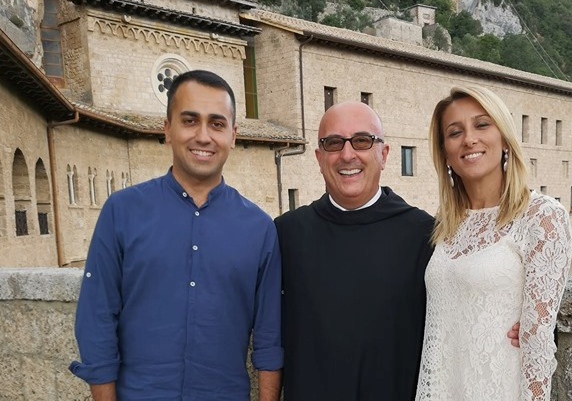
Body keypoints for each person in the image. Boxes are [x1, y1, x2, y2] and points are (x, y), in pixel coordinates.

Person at [275, 101, 519, 401]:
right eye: (334, 143)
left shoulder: (426, 235)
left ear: (384, 154)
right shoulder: (285, 234)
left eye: (362, 141)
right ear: (319, 157)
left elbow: (468, 299)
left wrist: (524, 324)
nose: (347, 154)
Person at [69, 70, 282, 401]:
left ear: (233, 135)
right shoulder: (122, 212)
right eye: (189, 120)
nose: (203, 136)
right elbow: (96, 319)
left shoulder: (259, 228)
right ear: (168, 129)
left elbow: (269, 338)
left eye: (217, 123)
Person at [415, 85, 572, 401]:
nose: (469, 139)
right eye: (454, 132)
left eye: (482, 124)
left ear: (504, 139)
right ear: (445, 152)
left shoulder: (541, 216)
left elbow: (537, 340)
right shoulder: (446, 223)